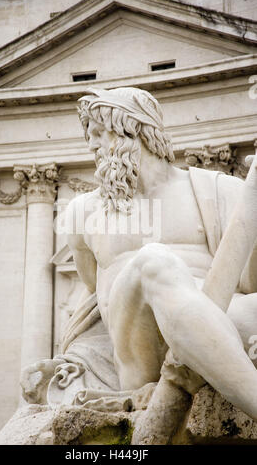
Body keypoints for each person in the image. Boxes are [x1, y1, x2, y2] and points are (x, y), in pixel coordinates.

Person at [63, 86, 257, 426]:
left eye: (97, 133)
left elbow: (249, 282)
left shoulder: (220, 189)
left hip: (221, 317)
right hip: (143, 349)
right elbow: (97, 294)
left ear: (132, 129)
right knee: (155, 261)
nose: (91, 145)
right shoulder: (83, 212)